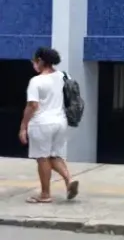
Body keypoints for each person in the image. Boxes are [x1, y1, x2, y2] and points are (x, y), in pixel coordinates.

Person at [19, 47, 79, 203]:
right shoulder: (63, 76)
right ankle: (69, 180)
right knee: (54, 155)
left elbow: (32, 106)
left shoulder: (36, 81)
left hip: (42, 124)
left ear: (40, 61)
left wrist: (23, 126)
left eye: (34, 61)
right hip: (60, 122)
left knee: (42, 158)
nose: (33, 64)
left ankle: (45, 194)